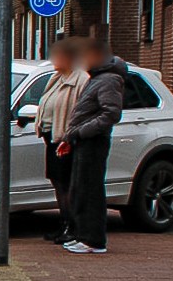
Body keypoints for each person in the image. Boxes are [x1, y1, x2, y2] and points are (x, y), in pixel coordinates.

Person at [59, 38, 125, 255]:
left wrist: (81, 131)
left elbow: (111, 113)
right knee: (80, 188)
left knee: (90, 189)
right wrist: (71, 137)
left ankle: (93, 239)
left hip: (94, 141)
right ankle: (83, 235)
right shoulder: (97, 78)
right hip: (84, 140)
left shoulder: (108, 80)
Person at [34, 37, 87, 244]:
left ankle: (72, 226)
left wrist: (70, 136)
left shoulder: (80, 80)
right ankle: (64, 223)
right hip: (51, 137)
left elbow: (80, 111)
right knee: (58, 182)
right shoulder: (56, 78)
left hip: (65, 139)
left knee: (67, 183)